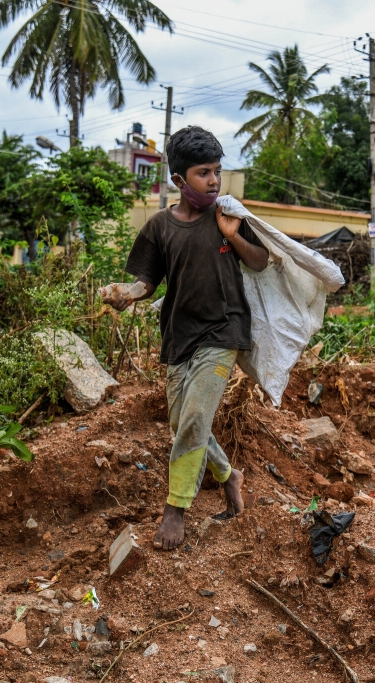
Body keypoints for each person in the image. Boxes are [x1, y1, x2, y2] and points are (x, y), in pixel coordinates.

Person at [106, 126, 269, 549]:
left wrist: (234, 236)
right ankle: (228, 475)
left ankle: (176, 509)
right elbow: (146, 281)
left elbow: (261, 261)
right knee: (183, 422)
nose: (214, 181)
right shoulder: (159, 227)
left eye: (217, 171)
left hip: (224, 331)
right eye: (203, 173)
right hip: (179, 337)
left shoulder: (227, 216)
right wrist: (126, 294)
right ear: (179, 181)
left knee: (195, 418)